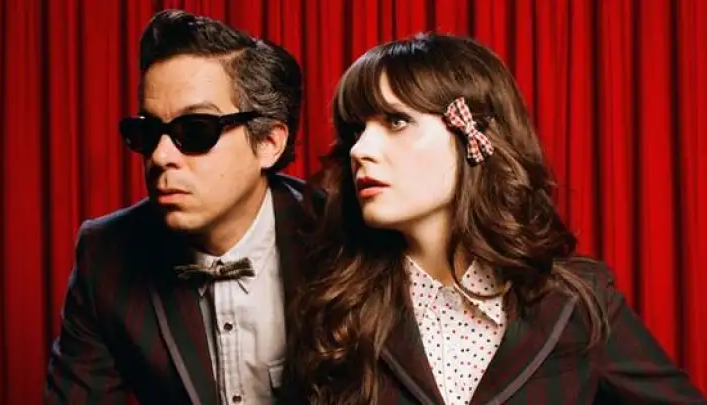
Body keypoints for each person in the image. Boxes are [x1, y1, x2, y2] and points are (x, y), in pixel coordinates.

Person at [283, 33, 707, 405]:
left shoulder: (576, 302)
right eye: (356, 131)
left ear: (474, 136)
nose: (361, 150)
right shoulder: (335, 307)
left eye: (397, 121)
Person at [44, 9, 309, 405]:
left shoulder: (341, 238)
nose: (160, 156)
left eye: (195, 130)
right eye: (148, 132)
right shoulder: (107, 255)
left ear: (269, 142)